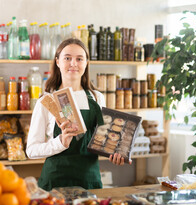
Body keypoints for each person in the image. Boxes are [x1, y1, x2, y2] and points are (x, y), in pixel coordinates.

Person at [26, 38, 127, 191]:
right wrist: (60, 143)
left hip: (89, 181)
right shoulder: (46, 101)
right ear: (58, 61)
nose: (73, 63)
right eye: (67, 58)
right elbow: (31, 150)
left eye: (79, 59)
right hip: (54, 183)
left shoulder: (97, 98)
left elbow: (102, 141)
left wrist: (114, 152)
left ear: (86, 63)